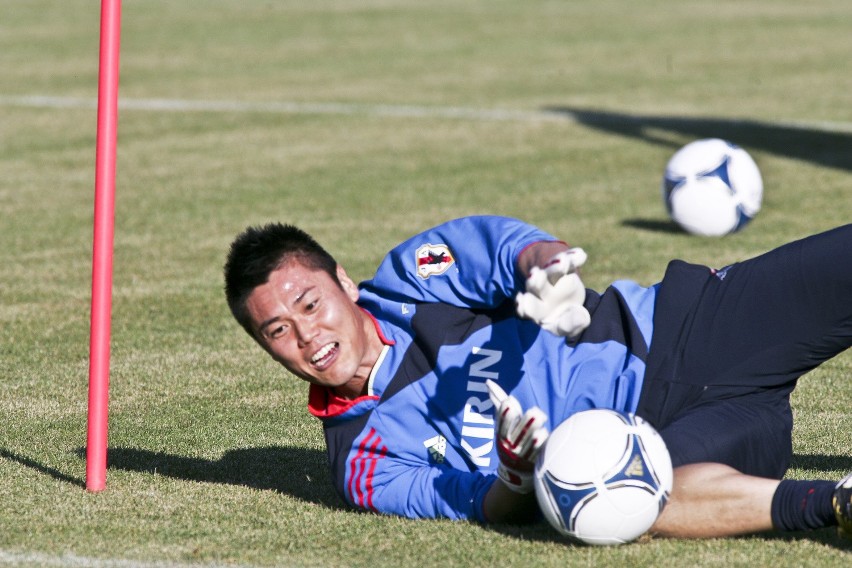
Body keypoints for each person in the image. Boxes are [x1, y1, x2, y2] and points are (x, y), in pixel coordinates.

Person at [223, 215, 852, 539]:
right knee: (618, 502)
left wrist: (550, 274)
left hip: (684, 328)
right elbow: (480, 508)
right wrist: (514, 475)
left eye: (309, 303)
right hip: (661, 443)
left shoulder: (414, 274)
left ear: (344, 283)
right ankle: (836, 504)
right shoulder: (363, 459)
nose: (306, 335)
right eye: (276, 330)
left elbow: (508, 248)